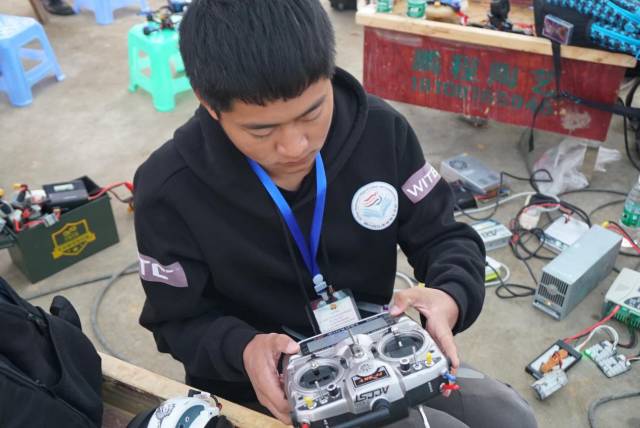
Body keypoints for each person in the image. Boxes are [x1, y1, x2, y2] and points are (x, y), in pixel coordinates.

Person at [133, 1, 537, 426]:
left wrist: (451, 294)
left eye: (312, 113)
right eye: (261, 130)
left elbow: (445, 237)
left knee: (509, 418)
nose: (295, 146)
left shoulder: (381, 130)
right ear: (208, 103)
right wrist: (243, 349)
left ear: (328, 74)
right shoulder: (168, 188)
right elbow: (176, 321)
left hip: (379, 351)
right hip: (264, 387)